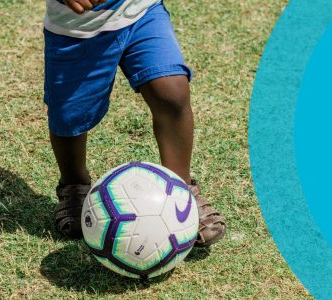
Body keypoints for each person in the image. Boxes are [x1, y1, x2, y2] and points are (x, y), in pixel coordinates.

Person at [44, 0, 226, 247]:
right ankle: (74, 185)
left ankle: (180, 194)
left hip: (142, 11)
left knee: (171, 92)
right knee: (69, 116)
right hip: (77, 29)